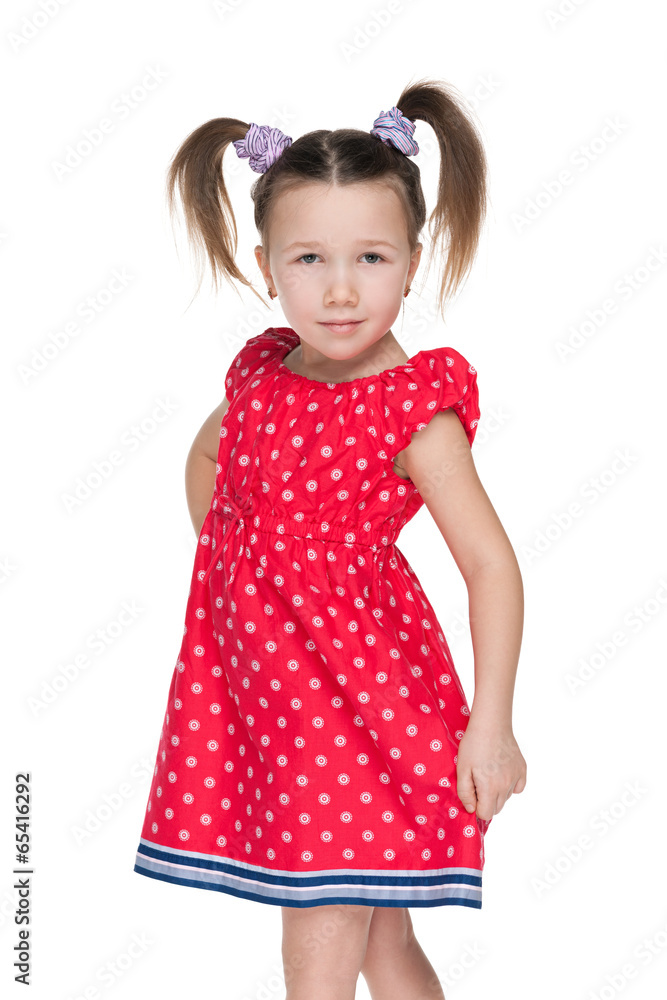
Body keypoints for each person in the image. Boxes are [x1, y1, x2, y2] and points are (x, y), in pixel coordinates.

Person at [133, 77, 527, 1000]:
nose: (341, 289)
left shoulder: (410, 410)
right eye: (309, 258)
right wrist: (238, 575)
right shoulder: (263, 380)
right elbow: (207, 459)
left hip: (363, 707)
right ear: (266, 266)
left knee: (317, 938)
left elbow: (489, 565)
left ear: (412, 263)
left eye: (371, 258)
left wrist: (492, 726)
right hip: (274, 700)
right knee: (382, 941)